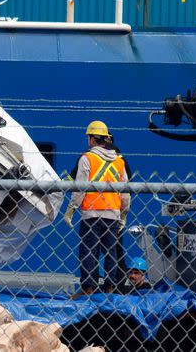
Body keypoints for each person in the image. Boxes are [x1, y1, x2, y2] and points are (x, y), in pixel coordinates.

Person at [65, 120, 131, 298]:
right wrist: (124, 214)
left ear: (93, 139)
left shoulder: (87, 158)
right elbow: (125, 192)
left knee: (88, 252)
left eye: (89, 138)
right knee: (111, 253)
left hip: (91, 214)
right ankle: (111, 288)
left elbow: (80, 187)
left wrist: (71, 209)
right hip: (113, 215)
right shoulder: (119, 161)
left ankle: (89, 288)